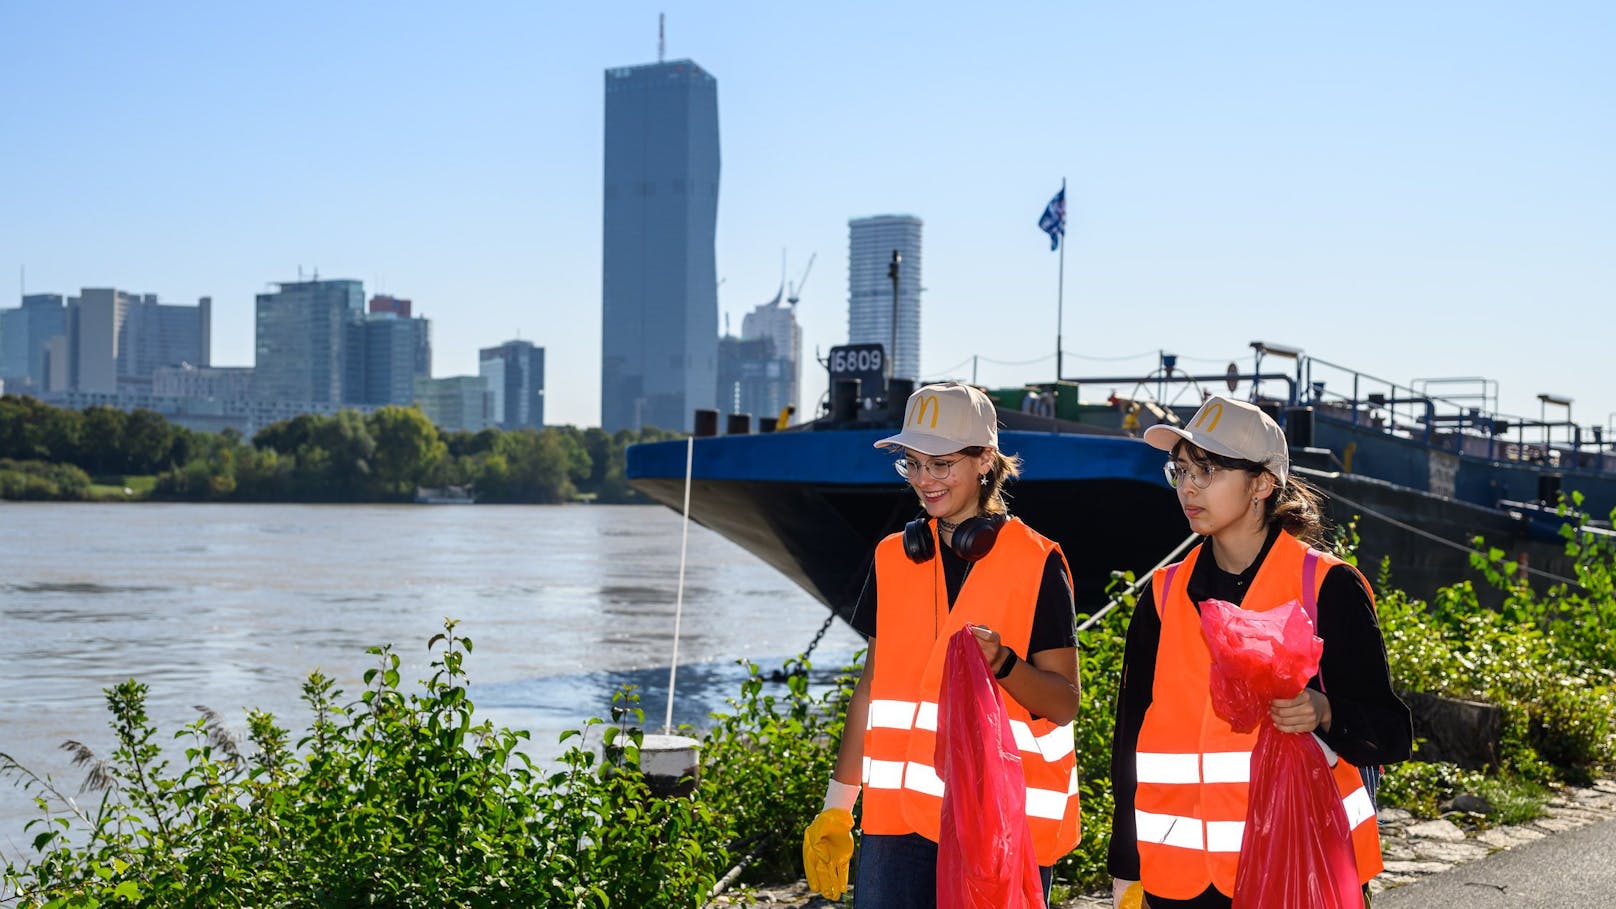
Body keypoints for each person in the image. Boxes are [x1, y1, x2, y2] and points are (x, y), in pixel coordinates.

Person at [1107, 395, 1413, 908]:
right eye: (1180, 471)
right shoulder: (1162, 595)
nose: (1188, 487)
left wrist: (1325, 711)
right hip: (1177, 872)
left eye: (1207, 471)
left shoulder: (1327, 587)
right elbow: (1130, 737)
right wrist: (1126, 864)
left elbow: (1391, 734)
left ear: (1262, 484)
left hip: (1295, 862)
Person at [802, 381, 1083, 908]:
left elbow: (1063, 703)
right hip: (896, 825)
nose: (924, 481)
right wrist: (838, 806)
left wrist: (1004, 664)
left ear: (984, 461)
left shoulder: (1036, 562)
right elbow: (870, 688)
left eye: (941, 463)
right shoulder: (893, 558)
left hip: (1000, 823)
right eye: (912, 464)